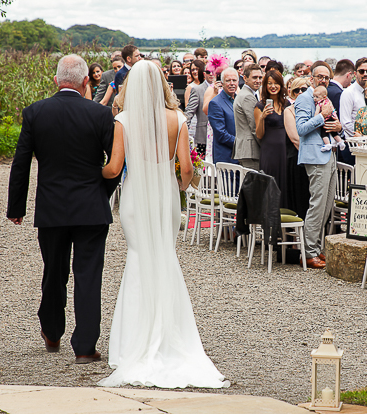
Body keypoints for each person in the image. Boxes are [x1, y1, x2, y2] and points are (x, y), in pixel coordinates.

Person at [98, 60, 228, 388]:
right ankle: (173, 336)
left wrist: (91, 173)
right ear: (161, 84)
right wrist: (178, 189)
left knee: (139, 258)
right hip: (166, 199)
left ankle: (132, 343)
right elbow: (187, 169)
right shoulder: (177, 120)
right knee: (164, 256)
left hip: (135, 199)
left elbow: (114, 169)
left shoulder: (123, 121)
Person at [6, 54, 118, 364]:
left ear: (56, 81)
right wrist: (101, 192)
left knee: (54, 271)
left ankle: (52, 332)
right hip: (91, 209)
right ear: (86, 82)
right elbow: (116, 164)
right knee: (88, 274)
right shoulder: (100, 115)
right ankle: (85, 347)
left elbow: (21, 163)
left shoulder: (35, 113)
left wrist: (17, 206)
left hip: (52, 208)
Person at [295, 62, 341, 269]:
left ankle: (316, 248)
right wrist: (322, 116)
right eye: (319, 77)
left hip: (329, 154)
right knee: (317, 205)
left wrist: (337, 125)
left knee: (327, 205)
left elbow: (332, 123)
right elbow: (302, 128)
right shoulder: (304, 98)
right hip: (314, 157)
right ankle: (308, 252)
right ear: (311, 78)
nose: (323, 80)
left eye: (327, 77)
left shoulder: (326, 97)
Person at [255, 69, 290, 207]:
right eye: (269, 83)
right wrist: (263, 117)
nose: (273, 86)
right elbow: (259, 135)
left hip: (286, 150)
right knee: (270, 183)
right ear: (265, 86)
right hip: (269, 151)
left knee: (285, 183)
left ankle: (284, 220)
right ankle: (269, 219)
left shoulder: (287, 104)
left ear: (281, 85)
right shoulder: (260, 106)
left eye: (276, 83)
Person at [284, 77, 311, 219]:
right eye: (296, 90)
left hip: (313, 160)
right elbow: (295, 138)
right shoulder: (289, 110)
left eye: (304, 89)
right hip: (297, 159)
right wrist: (313, 151)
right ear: (292, 94)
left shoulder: (315, 107)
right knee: (300, 200)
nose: (300, 92)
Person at [340, 57, 367, 155]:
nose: (365, 74)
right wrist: (362, 138)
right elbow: (346, 123)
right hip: (353, 146)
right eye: (361, 71)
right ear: (355, 74)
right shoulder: (348, 93)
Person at [233, 63, 263, 170]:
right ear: (245, 78)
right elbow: (255, 126)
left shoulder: (245, 94)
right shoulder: (247, 97)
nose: (258, 80)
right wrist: (265, 146)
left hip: (246, 150)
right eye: (254, 77)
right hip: (251, 150)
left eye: (260, 77)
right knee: (254, 185)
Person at [208, 68, 239, 165]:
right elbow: (221, 134)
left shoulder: (239, 100)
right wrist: (241, 143)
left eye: (234, 80)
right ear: (222, 83)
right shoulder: (215, 103)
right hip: (226, 158)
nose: (231, 83)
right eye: (228, 80)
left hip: (240, 157)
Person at [327, 59, 355, 164]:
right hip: (337, 143)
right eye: (352, 77)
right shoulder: (339, 93)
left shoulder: (326, 89)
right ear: (349, 75)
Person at [184, 60, 209, 156]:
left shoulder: (222, 88)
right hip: (201, 134)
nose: (211, 74)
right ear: (204, 73)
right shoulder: (196, 89)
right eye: (208, 72)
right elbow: (189, 112)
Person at [313, 86, 345, 151]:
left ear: (324, 96)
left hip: (325, 120)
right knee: (334, 132)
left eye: (317, 97)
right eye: (314, 97)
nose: (314, 99)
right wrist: (336, 118)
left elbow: (316, 113)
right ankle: (340, 141)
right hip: (331, 118)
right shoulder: (328, 101)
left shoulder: (319, 104)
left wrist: (314, 120)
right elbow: (333, 110)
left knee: (324, 133)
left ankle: (327, 144)